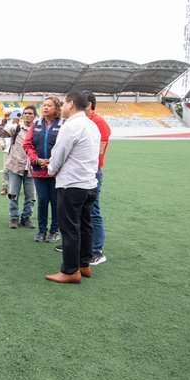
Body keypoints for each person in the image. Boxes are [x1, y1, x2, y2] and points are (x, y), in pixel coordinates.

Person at [45, 91, 101, 284]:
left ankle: (70, 271)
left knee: (70, 228)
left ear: (70, 104)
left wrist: (51, 169)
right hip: (89, 184)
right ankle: (84, 265)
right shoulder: (91, 125)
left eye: (64, 103)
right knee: (85, 226)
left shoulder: (71, 126)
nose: (61, 108)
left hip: (72, 184)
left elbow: (59, 154)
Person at [23, 96, 64, 243]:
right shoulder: (36, 124)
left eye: (49, 105)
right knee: (42, 200)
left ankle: (54, 231)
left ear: (57, 109)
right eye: (44, 105)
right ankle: (41, 231)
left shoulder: (63, 124)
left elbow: (65, 147)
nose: (45, 108)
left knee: (55, 201)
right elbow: (27, 145)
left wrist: (52, 161)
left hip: (56, 171)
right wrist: (36, 159)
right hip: (38, 170)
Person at [83, 91, 111, 265]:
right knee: (79, 210)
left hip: (92, 172)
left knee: (93, 211)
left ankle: (97, 250)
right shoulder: (82, 122)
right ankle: (81, 245)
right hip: (82, 171)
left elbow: (99, 150)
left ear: (89, 105)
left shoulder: (99, 122)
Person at [0, 106, 37, 229]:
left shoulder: (38, 130)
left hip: (31, 167)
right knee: (13, 194)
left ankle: (26, 218)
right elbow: (0, 134)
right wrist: (2, 122)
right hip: (15, 165)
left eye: (30, 113)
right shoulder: (16, 128)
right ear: (22, 115)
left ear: (35, 116)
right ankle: (14, 218)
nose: (27, 115)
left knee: (30, 196)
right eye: (25, 113)